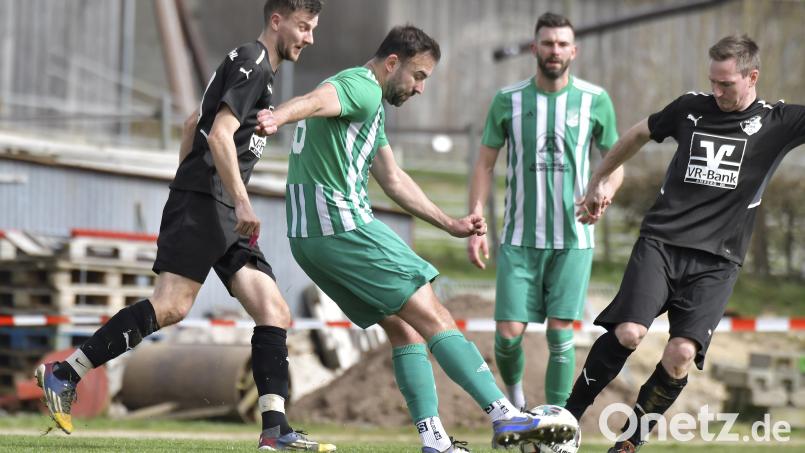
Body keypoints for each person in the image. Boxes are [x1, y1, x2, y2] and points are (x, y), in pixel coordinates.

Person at [256, 25, 578, 453]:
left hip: (311, 240)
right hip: (344, 227)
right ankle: (505, 416)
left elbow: (392, 177)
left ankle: (436, 441)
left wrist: (448, 222)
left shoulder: (369, 108)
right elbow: (319, 100)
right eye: (419, 76)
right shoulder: (361, 87)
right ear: (393, 63)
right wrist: (277, 115)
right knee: (433, 314)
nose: (420, 88)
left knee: (405, 330)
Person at [35, 1, 336, 451]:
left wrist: (189, 184)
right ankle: (64, 373)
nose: (309, 38)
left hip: (213, 203)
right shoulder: (254, 63)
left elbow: (191, 122)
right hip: (211, 201)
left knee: (273, 309)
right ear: (277, 21)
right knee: (171, 306)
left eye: (313, 29)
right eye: (304, 27)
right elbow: (216, 134)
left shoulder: (252, 68)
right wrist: (232, 198)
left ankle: (275, 430)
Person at [565, 34, 805, 453]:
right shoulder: (689, 108)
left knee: (679, 354)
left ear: (753, 77)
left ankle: (628, 443)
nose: (717, 91)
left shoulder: (778, 122)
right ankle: (566, 420)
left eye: (726, 83)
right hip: (661, 243)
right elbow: (638, 134)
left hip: (718, 262)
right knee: (629, 333)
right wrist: (597, 179)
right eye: (713, 81)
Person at [467, 12, 621, 411]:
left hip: (573, 239)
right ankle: (517, 406)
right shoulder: (508, 100)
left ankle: (555, 421)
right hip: (520, 239)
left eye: (562, 44)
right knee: (506, 335)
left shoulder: (594, 100)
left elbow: (616, 161)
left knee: (559, 336)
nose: (555, 51)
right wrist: (477, 222)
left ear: (574, 50)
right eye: (547, 43)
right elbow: (484, 164)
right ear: (535, 48)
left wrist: (604, 189)